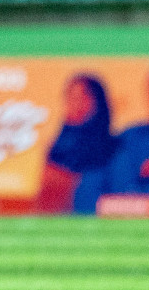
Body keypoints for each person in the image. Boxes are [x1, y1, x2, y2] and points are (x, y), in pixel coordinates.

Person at [37, 74, 116, 214]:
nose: (77, 104)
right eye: (72, 97)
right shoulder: (58, 146)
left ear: (98, 102)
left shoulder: (115, 148)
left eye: (84, 97)